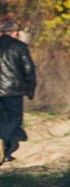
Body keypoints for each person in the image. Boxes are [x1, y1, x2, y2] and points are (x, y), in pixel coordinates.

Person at [0, 20, 37, 164]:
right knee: (15, 119)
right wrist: (30, 88)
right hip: (13, 90)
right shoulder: (19, 46)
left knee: (2, 120)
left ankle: (6, 154)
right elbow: (28, 69)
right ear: (15, 33)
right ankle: (3, 140)